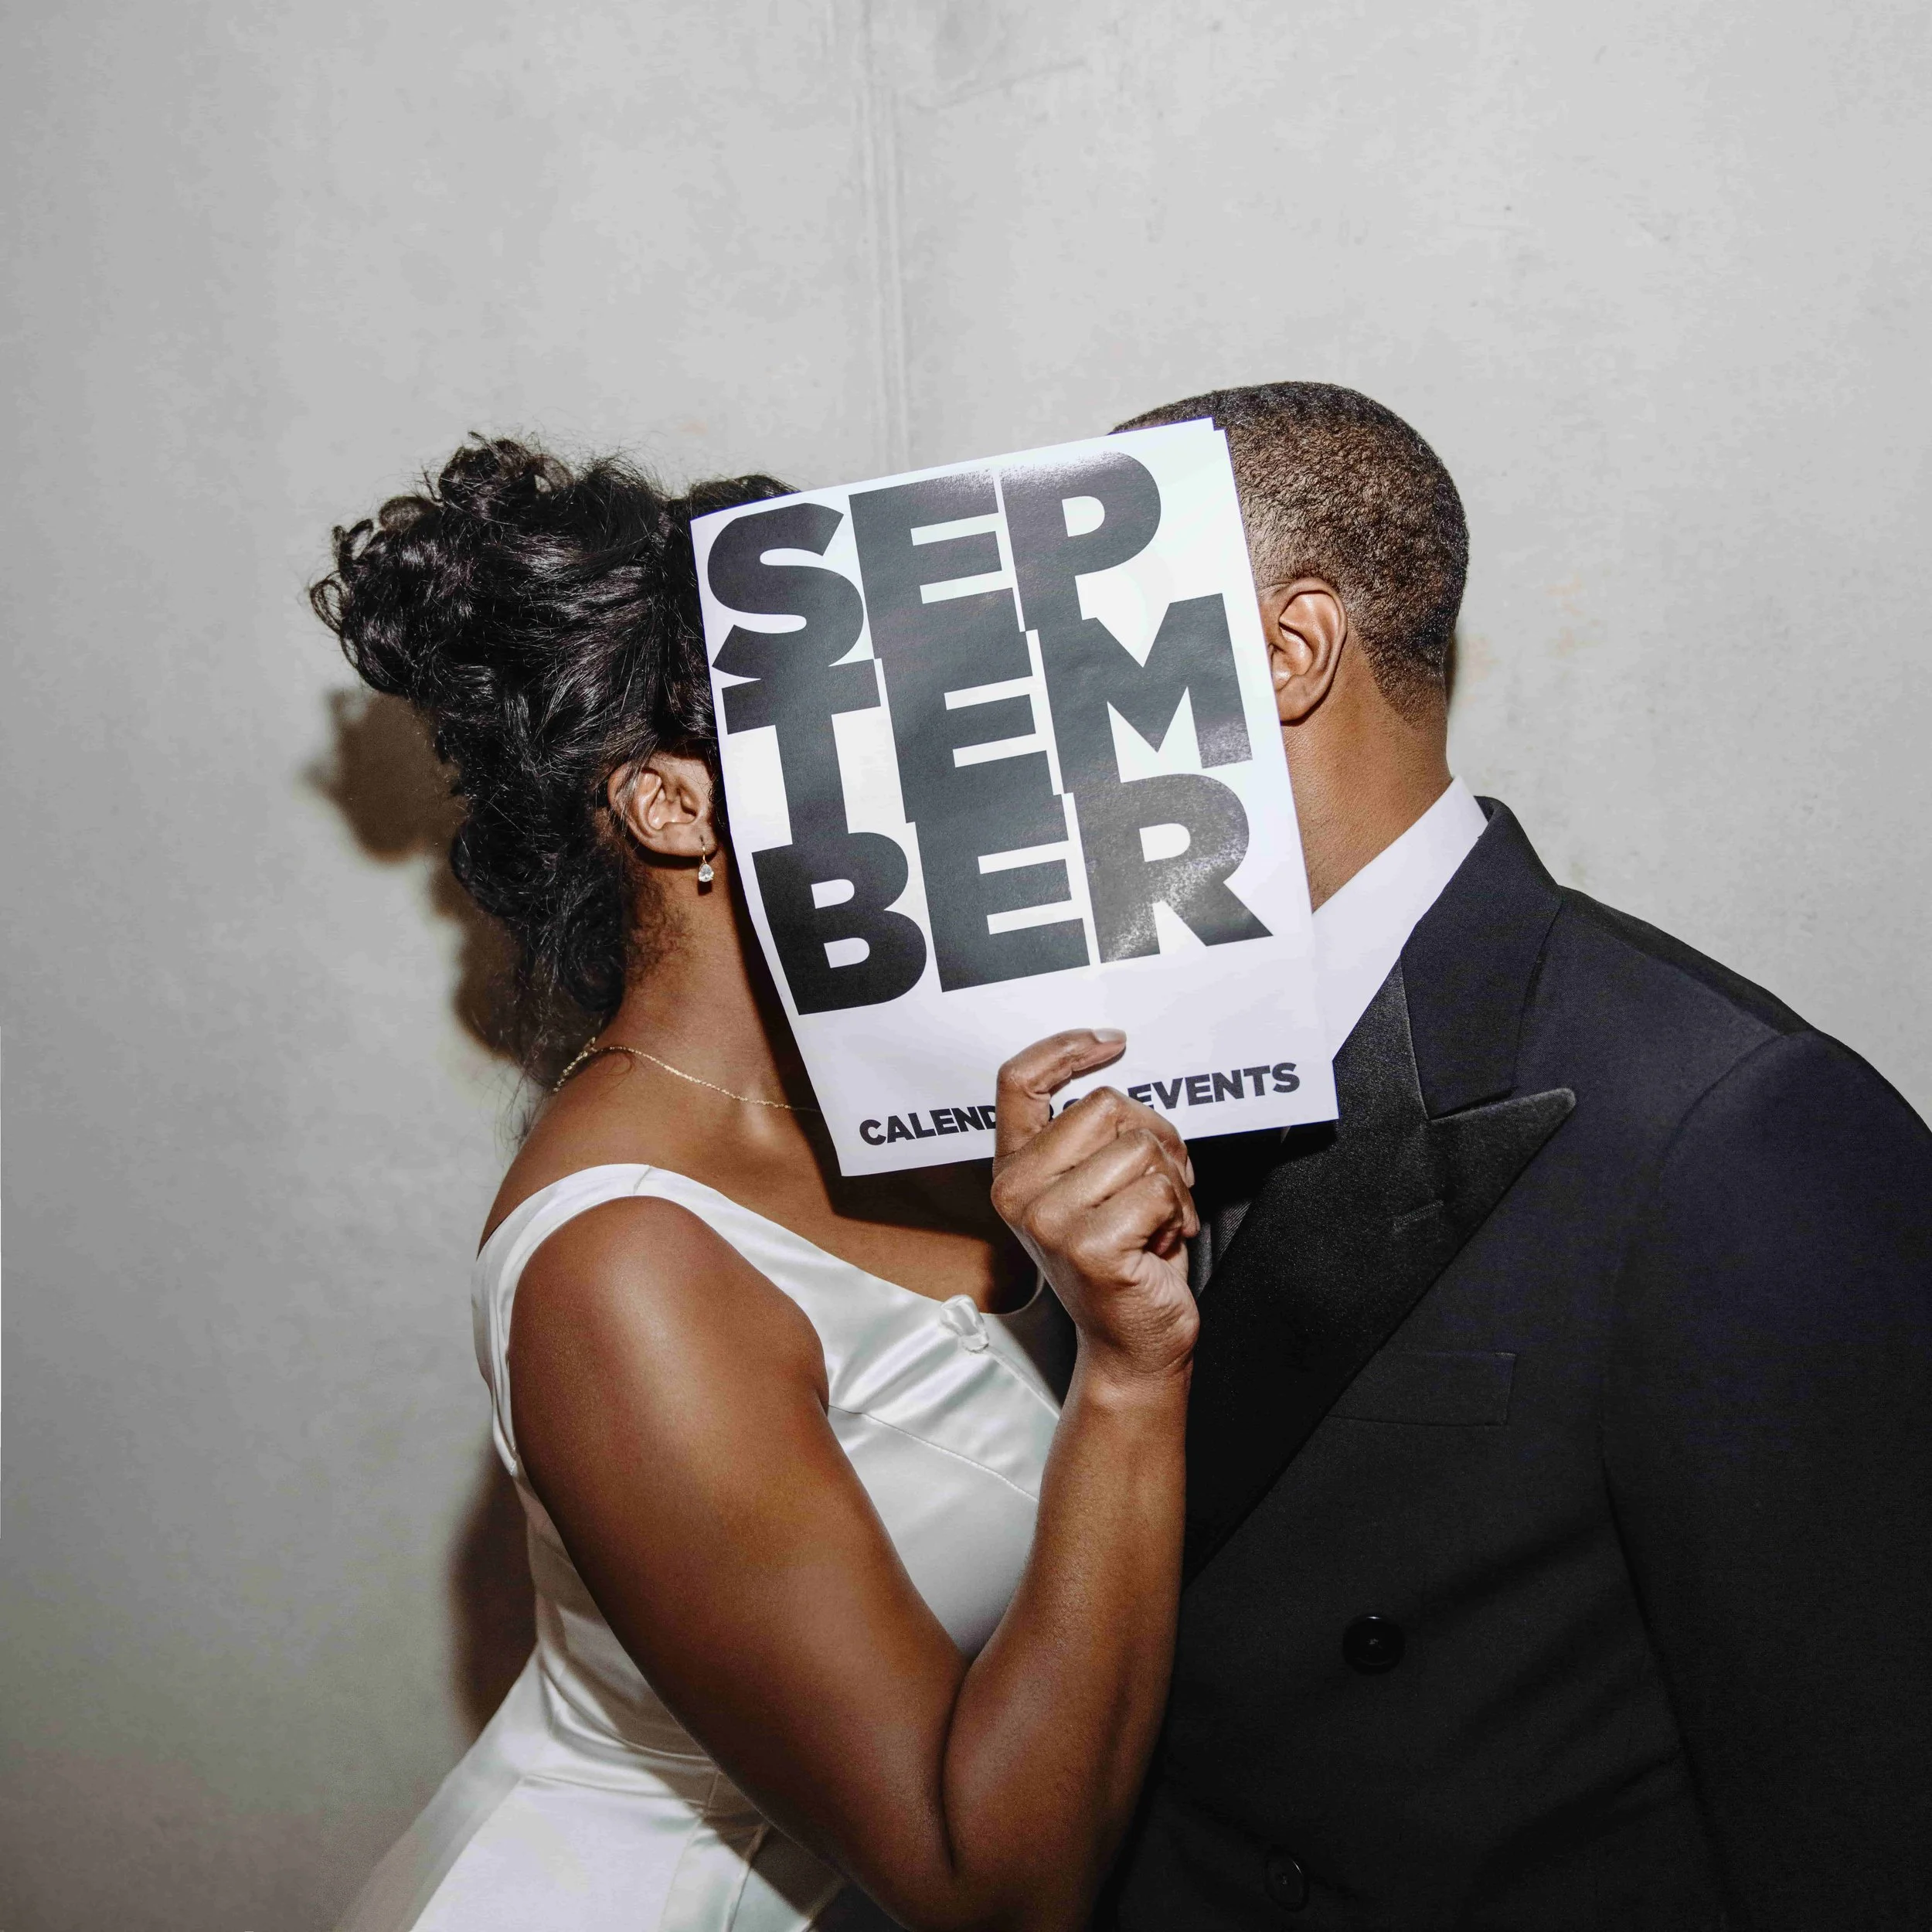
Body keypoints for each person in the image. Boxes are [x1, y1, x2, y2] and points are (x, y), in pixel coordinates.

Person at [311, 439, 1201, 1932]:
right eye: (866, 718)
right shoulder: (623, 1269)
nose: (951, 755)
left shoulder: (906, 1105)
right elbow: (994, 1892)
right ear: (676, 808)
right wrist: (1130, 1373)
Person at [1100, 383, 1932, 1930]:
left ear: (1287, 652)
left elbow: (1862, 1819)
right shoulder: (1101, 1057)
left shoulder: (1731, 1129)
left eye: (1085, 653)